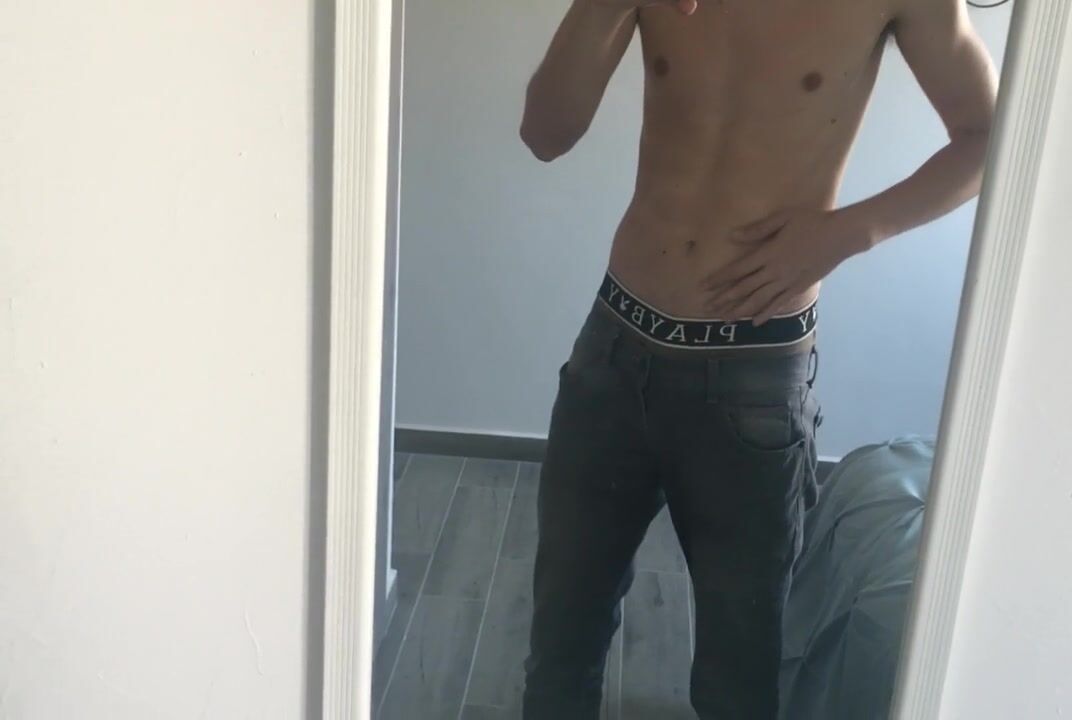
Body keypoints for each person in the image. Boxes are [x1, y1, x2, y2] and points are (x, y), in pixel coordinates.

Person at [518, 0, 998, 717]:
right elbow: (544, 134)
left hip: (755, 372)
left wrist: (849, 232)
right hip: (615, 346)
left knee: (738, 673)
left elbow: (991, 136)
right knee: (560, 639)